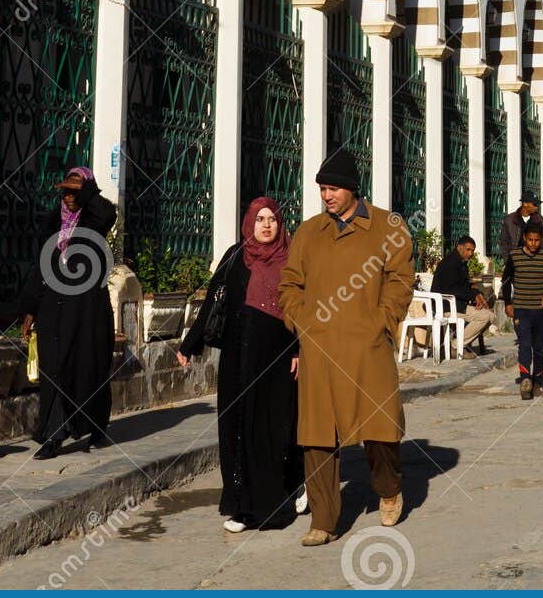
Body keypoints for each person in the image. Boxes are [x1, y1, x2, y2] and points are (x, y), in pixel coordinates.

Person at [279, 145, 415, 547]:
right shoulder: (308, 232)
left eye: (333, 189)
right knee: (317, 436)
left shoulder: (387, 226)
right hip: (319, 348)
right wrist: (300, 321)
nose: (326, 196)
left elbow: (401, 279)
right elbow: (290, 284)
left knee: (380, 431)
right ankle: (323, 519)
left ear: (353, 189)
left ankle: (388, 490)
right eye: (322, 189)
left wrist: (383, 321)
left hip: (367, 346)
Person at [177, 196, 302, 533]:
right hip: (237, 360)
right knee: (236, 428)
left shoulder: (292, 260)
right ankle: (241, 506)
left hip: (277, 360)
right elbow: (213, 302)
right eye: (259, 219)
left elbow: (303, 310)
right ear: (249, 222)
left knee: (271, 429)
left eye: (272, 219)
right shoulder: (235, 257)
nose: (266, 225)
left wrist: (298, 351)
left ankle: (275, 503)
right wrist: (191, 343)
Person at [20, 166, 115, 461]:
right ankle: (53, 434)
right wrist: (30, 308)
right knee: (54, 368)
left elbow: (106, 214)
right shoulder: (52, 224)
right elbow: (40, 267)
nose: (69, 198)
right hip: (52, 308)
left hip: (86, 311)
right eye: (65, 192)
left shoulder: (93, 222)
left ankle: (95, 424)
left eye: (75, 192)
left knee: (87, 367)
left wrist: (86, 190)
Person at [501, 220, 543, 397]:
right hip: (521, 309)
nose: (533, 244)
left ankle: (538, 382)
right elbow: (506, 282)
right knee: (525, 345)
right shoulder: (514, 256)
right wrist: (508, 303)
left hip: (541, 311)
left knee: (539, 348)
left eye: (536, 240)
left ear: (541, 239)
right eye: (530, 240)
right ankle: (525, 379)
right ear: (524, 239)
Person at [430, 235, 495, 355]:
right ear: (459, 248)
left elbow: (464, 286)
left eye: (472, 251)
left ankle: (462, 343)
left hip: (456, 305)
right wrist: (473, 295)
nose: (470, 253)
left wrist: (476, 294)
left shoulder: (461, 262)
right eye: (468, 250)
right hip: (445, 306)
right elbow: (452, 289)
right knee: (484, 317)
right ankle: (456, 346)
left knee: (491, 316)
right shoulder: (450, 263)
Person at [498, 194, 543, 261]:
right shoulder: (509, 220)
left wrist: (541, 260)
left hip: (534, 260)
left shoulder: (539, 219)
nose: (536, 207)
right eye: (534, 204)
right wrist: (508, 261)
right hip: (516, 260)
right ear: (525, 204)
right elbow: (503, 242)